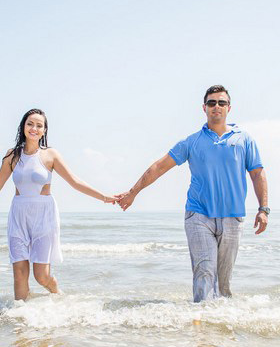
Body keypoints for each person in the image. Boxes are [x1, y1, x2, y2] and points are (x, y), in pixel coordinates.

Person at [115, 85, 269, 302]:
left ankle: (221, 328)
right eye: (212, 103)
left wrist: (264, 209)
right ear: (204, 108)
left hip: (233, 218)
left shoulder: (243, 139)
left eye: (221, 103)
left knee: (223, 282)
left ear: (229, 108)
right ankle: (201, 324)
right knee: (205, 271)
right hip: (198, 216)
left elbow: (257, 174)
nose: (217, 107)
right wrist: (133, 192)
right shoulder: (192, 141)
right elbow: (159, 167)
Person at [0, 108, 116, 300]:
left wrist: (104, 197)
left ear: (44, 131)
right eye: (30, 124)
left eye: (39, 125)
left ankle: (57, 294)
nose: (34, 128)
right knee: (19, 274)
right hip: (19, 215)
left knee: (41, 276)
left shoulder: (50, 155)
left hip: (43, 216)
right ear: (23, 126)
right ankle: (21, 319)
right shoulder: (12, 156)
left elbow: (74, 181)